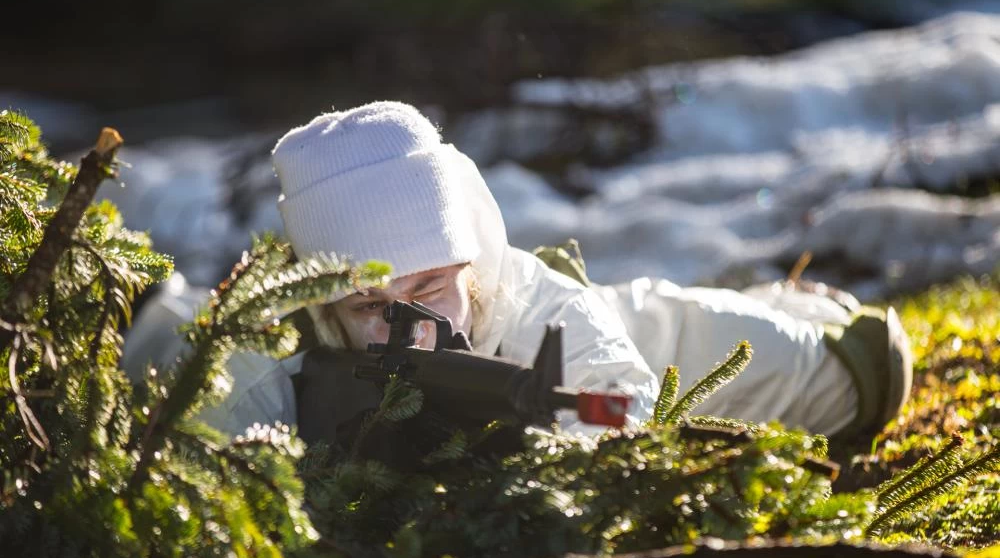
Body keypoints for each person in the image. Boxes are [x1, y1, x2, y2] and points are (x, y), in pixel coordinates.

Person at [189, 101, 911, 441]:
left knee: (862, 374)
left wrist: (538, 443)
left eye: (428, 290)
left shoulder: (524, 293)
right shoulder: (271, 358)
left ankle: (804, 304)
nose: (407, 332)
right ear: (324, 306)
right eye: (369, 306)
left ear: (467, 263)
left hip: (610, 346)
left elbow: (618, 403)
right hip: (595, 324)